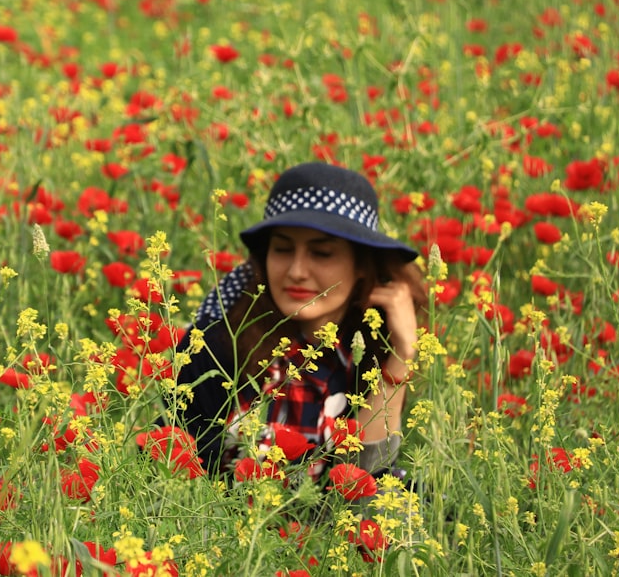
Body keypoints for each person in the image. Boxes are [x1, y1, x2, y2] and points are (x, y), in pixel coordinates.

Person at [171, 162, 428, 480]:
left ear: (362, 264)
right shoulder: (218, 344)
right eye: (282, 249)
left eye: (321, 254)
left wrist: (400, 359)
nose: (296, 271)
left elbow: (364, 489)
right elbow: (175, 473)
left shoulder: (370, 349)